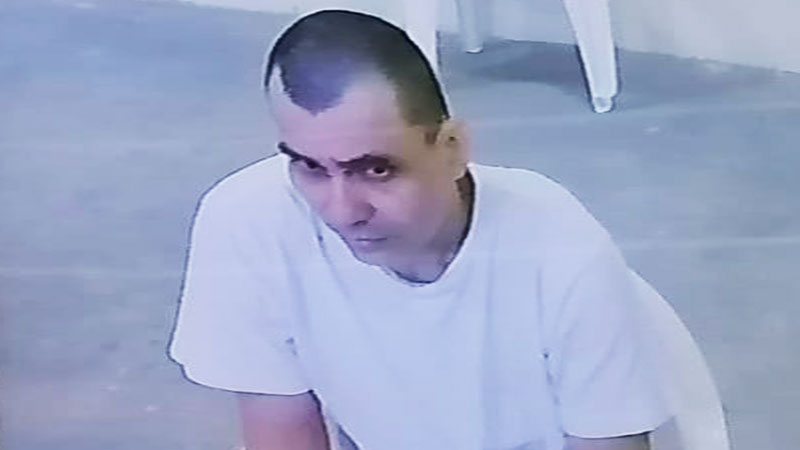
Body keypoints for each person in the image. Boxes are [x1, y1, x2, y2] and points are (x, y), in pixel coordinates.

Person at [169, 9, 675, 450]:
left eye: (377, 169)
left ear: (453, 148)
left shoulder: (560, 251)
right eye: (309, 166)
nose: (342, 211)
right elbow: (280, 430)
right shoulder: (249, 220)